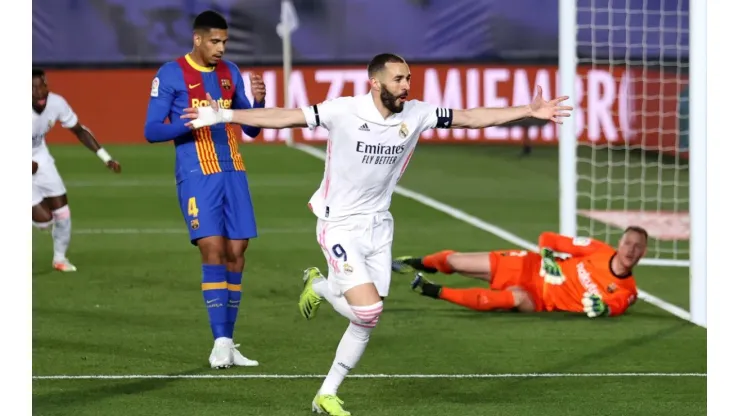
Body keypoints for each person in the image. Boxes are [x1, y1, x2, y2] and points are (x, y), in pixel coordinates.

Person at [180, 53, 572, 415]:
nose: (407, 86)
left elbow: (469, 117)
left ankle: (325, 386)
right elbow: (286, 115)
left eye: (409, 78)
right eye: (399, 79)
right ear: (375, 83)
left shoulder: (417, 113)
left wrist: (529, 111)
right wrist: (224, 116)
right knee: (368, 310)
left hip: (378, 226)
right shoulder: (343, 110)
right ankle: (323, 311)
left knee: (367, 317)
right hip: (339, 223)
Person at [143, 10, 266, 369]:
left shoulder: (231, 73)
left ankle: (228, 342)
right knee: (212, 248)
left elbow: (252, 129)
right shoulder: (170, 73)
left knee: (237, 252)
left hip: (234, 170)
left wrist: (256, 103)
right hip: (197, 172)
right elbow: (152, 129)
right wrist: (195, 123)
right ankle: (219, 342)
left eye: (225, 41)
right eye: (215, 41)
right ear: (197, 39)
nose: (221, 48)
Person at [393, 227, 648, 318]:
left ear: (643, 253)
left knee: (509, 299)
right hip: (528, 265)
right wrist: (548, 258)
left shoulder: (628, 291)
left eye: (638, 247)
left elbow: (616, 306)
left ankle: (432, 290)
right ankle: (415, 262)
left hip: (539, 299)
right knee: (454, 261)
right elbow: (549, 238)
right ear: (619, 243)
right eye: (628, 243)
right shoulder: (597, 250)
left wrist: (602, 309)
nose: (631, 250)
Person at [32, 69, 122, 272]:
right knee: (44, 221)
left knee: (62, 213)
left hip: (40, 157)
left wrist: (105, 158)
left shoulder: (56, 103)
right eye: (32, 88)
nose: (38, 92)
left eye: (42, 86)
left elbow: (79, 130)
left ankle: (60, 259)